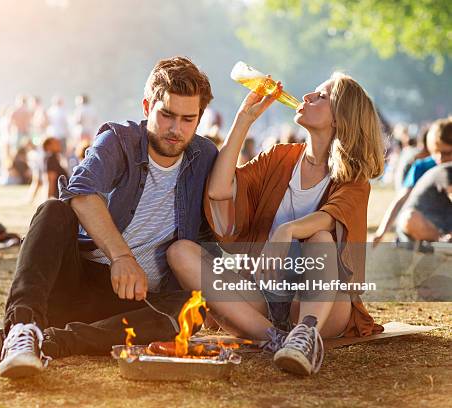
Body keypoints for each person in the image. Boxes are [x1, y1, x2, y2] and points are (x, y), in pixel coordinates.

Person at [0, 56, 218, 378]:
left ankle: (53, 342)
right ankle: (21, 330)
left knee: (191, 308)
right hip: (80, 278)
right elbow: (82, 194)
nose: (176, 129)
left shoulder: (205, 156)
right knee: (53, 210)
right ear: (147, 106)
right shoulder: (119, 140)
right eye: (167, 114)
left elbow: (219, 226)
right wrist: (121, 256)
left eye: (188, 119)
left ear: (199, 119)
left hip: (141, 303)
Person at [168, 72, 386, 376]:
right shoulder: (280, 156)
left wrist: (287, 230)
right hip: (263, 300)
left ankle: (305, 335)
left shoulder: (353, 180)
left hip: (320, 305)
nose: (308, 96)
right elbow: (219, 191)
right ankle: (275, 338)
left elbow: (327, 218)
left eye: (322, 96)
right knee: (180, 252)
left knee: (321, 238)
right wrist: (244, 119)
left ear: (340, 119)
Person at [373, 118, 452, 245]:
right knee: (408, 218)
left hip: (446, 222)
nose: (441, 158)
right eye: (436, 152)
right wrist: (381, 232)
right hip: (424, 224)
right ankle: (441, 241)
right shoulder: (421, 167)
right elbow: (401, 199)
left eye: (447, 153)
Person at [396, 162, 452, 244]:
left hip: (442, 226)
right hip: (423, 226)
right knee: (409, 217)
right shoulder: (446, 172)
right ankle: (442, 241)